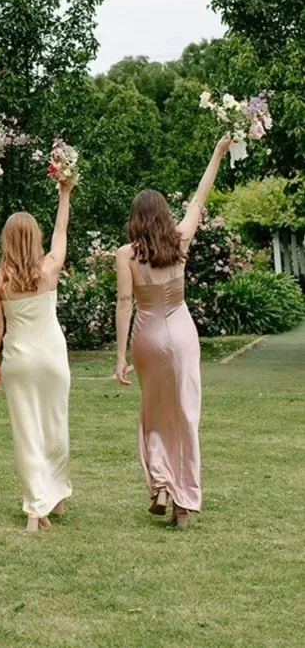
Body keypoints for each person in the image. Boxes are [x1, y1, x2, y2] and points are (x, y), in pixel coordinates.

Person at [114, 136, 231, 529]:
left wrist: (120, 359)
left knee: (154, 414)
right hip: (181, 333)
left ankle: (162, 483)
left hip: (147, 335)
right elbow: (199, 199)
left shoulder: (125, 254)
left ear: (135, 218)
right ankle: (184, 505)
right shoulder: (180, 237)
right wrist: (216, 152)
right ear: (164, 215)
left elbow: (124, 304)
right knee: (185, 414)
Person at [0, 180, 76, 531]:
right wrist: (64, 195)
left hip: (20, 362)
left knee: (26, 432)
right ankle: (53, 497)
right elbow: (62, 232)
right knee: (54, 428)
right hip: (52, 359)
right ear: (35, 239)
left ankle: (39, 505)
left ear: (6, 240)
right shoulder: (50, 268)